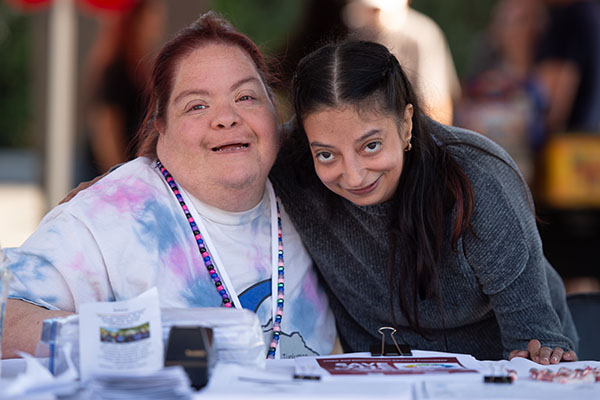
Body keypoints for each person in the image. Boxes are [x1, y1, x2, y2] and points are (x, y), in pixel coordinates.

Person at [1, 11, 337, 360]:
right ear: (160, 124)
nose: (226, 118)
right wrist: (137, 341)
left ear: (274, 110)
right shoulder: (111, 214)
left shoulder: (320, 185)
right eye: (197, 106)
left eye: (246, 98)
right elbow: (6, 321)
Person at [268, 40, 578, 362]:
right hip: (378, 381)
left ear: (406, 124)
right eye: (327, 154)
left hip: (491, 376)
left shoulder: (477, 181)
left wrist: (536, 361)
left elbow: (534, 341)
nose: (354, 176)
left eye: (371, 145)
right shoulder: (292, 169)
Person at [81, 0, 166, 179]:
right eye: (153, 15)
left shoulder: (142, 67)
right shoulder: (117, 69)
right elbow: (105, 127)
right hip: (111, 174)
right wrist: (119, 175)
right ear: (136, 21)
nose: (159, 21)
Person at [342, 0, 460, 125]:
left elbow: (437, 104)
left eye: (376, 11)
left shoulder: (422, 35)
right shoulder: (358, 33)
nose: (373, 16)